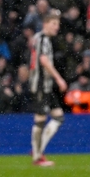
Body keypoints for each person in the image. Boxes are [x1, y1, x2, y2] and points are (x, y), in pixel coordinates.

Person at [28, 12, 68, 167]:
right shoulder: (42, 39)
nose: (57, 27)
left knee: (58, 117)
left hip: (46, 86)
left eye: (58, 24)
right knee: (40, 119)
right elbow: (43, 60)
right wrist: (59, 78)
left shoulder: (42, 39)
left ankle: (37, 149)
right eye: (54, 24)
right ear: (45, 24)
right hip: (39, 85)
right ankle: (37, 157)